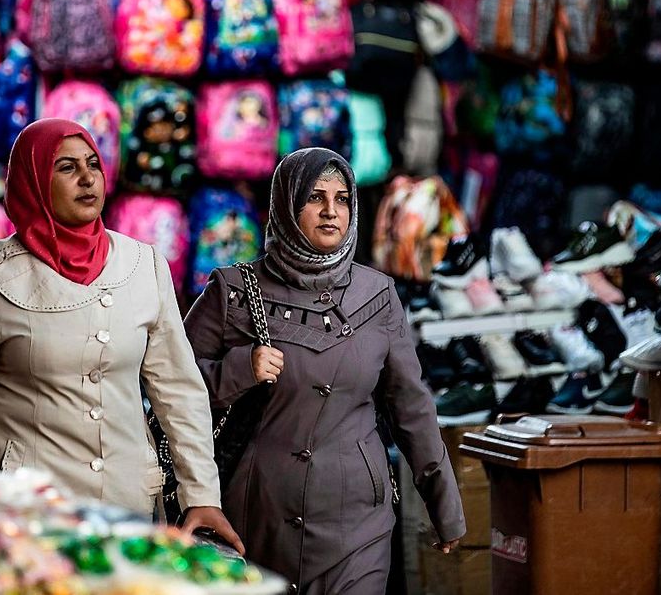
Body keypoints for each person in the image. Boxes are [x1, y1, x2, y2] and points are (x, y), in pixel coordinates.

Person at [0, 119, 241, 549]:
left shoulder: (143, 266)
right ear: (33, 181)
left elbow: (179, 391)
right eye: (66, 168)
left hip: (127, 505)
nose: (88, 179)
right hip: (26, 512)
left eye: (93, 164)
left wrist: (202, 494)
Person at [184, 147, 465, 593]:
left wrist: (444, 506)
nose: (332, 211)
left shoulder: (378, 295)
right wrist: (242, 368)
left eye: (343, 199)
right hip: (254, 523)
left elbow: (411, 406)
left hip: (357, 525)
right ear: (287, 205)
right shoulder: (232, 292)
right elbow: (171, 390)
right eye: (315, 197)